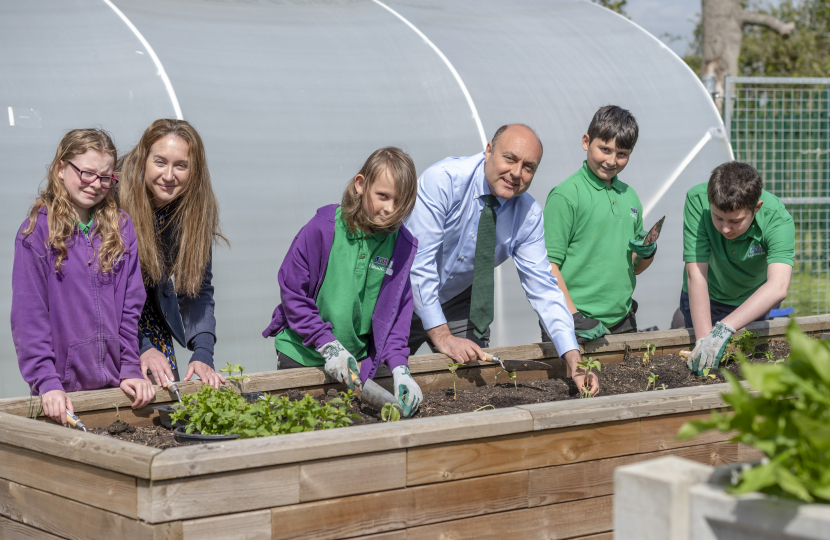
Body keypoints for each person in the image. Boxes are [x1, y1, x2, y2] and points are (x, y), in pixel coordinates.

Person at [405, 124, 598, 396]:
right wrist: (444, 337)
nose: (517, 173)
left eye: (529, 167)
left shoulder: (527, 214)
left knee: (471, 386)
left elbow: (543, 288)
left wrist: (574, 360)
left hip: (459, 299)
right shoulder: (444, 181)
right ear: (488, 151)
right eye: (510, 158)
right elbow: (418, 265)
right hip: (402, 293)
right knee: (379, 377)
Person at [262, 147, 424, 417]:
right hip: (301, 357)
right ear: (361, 185)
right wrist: (328, 344)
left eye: (400, 203)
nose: (390, 210)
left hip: (354, 366)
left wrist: (400, 368)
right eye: (382, 196)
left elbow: (397, 315)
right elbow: (293, 294)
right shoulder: (323, 229)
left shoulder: (400, 246)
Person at [11, 128, 154, 426]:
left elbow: (130, 309)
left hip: (116, 386)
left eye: (105, 177)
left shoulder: (121, 227)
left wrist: (129, 367)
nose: (95, 185)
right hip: (62, 393)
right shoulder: (36, 233)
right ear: (61, 169)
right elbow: (30, 317)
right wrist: (46, 382)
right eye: (86, 173)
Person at [118, 119, 227, 389]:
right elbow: (101, 292)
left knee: (170, 407)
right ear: (143, 159)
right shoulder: (112, 202)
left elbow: (197, 289)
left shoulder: (193, 211)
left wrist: (203, 351)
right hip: (106, 321)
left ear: (194, 171)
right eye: (159, 162)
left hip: (151, 317)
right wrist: (142, 347)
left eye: (181, 165)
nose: (169, 175)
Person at [541, 105, 655, 343]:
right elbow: (549, 266)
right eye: (605, 149)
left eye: (622, 153)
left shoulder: (629, 196)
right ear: (586, 142)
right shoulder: (567, 195)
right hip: (574, 323)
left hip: (622, 320)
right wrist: (573, 316)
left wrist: (647, 253)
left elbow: (633, 267)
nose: (612, 160)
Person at [683, 161, 795, 374]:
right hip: (706, 296)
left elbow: (778, 286)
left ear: (757, 207)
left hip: (750, 303)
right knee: (702, 365)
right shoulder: (697, 200)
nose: (725, 228)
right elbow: (696, 274)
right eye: (717, 218)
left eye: (735, 221)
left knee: (745, 368)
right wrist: (703, 340)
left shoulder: (777, 219)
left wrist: (723, 329)